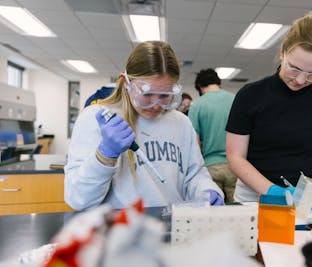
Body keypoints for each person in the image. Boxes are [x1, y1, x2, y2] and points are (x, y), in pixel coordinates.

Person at [64, 41, 224, 210]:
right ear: (126, 83)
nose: (156, 105)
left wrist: (206, 191)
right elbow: (77, 198)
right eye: (147, 94)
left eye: (165, 95)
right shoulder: (95, 119)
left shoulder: (181, 122)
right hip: (120, 231)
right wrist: (105, 156)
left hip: (172, 227)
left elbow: (195, 175)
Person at [225, 11, 312, 210]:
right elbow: (235, 157)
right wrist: (273, 191)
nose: (300, 80)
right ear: (283, 52)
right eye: (295, 68)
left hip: (309, 197)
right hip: (255, 194)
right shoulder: (251, 95)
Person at [188, 68, 237, 203]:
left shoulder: (197, 105)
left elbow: (194, 143)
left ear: (199, 86)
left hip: (210, 167)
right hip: (235, 166)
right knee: (239, 214)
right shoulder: (235, 100)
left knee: (215, 216)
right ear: (218, 82)